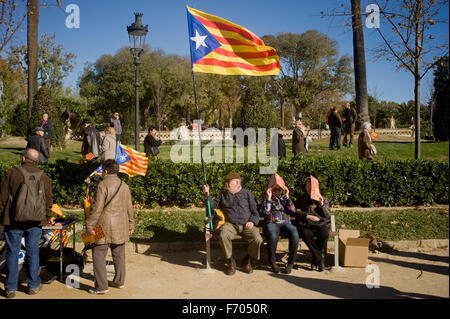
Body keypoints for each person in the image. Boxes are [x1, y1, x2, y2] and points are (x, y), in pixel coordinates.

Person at [0, 148, 53, 298]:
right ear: (36, 161)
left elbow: (2, 199)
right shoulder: (44, 177)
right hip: (36, 222)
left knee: (12, 252)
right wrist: (47, 216)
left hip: (14, 220)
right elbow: (48, 201)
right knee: (33, 252)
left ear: (23, 158)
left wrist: (1, 218)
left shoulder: (11, 173)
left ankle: (10, 288)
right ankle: (33, 285)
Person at [85, 159, 134, 295]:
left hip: (102, 225)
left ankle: (101, 286)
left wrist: (89, 225)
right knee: (119, 254)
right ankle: (119, 281)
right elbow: (130, 207)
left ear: (105, 171)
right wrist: (131, 224)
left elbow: (96, 209)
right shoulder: (124, 185)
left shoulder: (102, 185)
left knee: (98, 253)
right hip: (121, 225)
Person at [202, 172, 263, 276]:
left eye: (228, 182)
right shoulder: (223, 194)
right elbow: (212, 206)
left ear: (237, 183)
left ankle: (246, 260)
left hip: (246, 225)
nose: (226, 184)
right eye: (226, 182)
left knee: (258, 239)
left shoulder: (247, 194)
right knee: (223, 235)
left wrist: (252, 221)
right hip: (230, 224)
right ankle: (231, 261)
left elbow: (255, 211)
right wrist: (207, 194)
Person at [293, 176, 331, 272]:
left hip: (320, 223)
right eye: (307, 186)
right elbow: (296, 211)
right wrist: (307, 216)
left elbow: (328, 216)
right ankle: (319, 258)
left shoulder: (323, 199)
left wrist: (321, 204)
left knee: (324, 233)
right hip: (305, 223)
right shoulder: (301, 198)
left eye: (311, 187)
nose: (309, 189)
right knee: (306, 234)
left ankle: (315, 260)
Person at [261, 180, 299, 274]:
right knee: (273, 237)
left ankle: (290, 262)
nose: (277, 192)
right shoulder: (266, 197)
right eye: (275, 189)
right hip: (272, 222)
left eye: (279, 189)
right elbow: (265, 212)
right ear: (271, 189)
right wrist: (269, 199)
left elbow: (292, 210)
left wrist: (287, 196)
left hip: (285, 222)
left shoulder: (284, 198)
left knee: (294, 234)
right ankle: (272, 261)